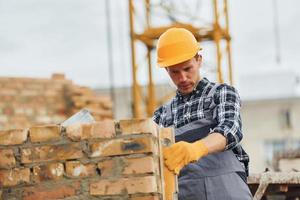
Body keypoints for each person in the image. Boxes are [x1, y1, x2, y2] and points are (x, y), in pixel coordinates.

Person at [153, 27, 253, 200]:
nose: (182, 78)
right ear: (166, 70)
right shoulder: (162, 115)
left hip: (228, 192)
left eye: (187, 68)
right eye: (175, 72)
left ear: (199, 60)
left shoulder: (221, 93)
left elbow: (230, 130)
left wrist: (196, 149)